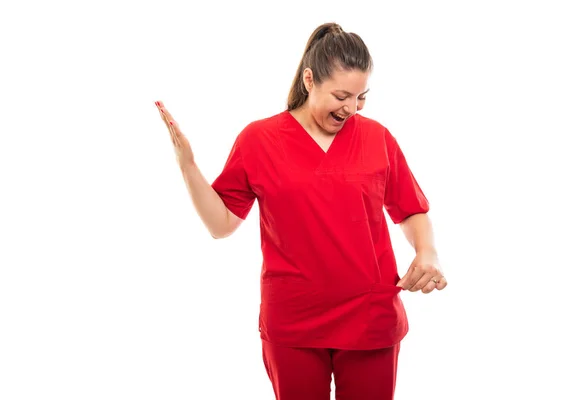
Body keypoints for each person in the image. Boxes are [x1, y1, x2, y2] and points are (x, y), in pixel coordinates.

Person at [155, 22, 447, 400]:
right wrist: (188, 166)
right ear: (310, 80)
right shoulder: (258, 140)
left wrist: (427, 253)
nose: (351, 108)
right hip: (293, 321)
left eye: (361, 97)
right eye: (341, 95)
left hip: (370, 317)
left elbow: (410, 211)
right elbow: (221, 224)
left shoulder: (378, 139)